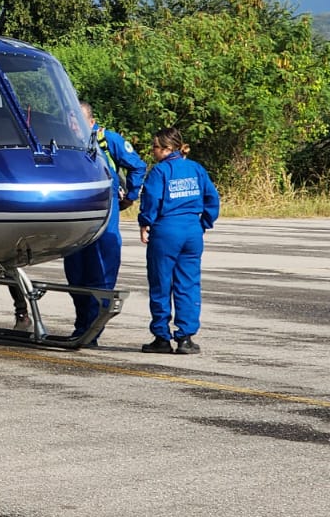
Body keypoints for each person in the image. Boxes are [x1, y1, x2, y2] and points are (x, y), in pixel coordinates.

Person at [63, 102, 147, 344]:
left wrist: (131, 197)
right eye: (69, 120)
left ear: (90, 121)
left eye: (76, 120)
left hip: (105, 214)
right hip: (76, 216)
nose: (71, 125)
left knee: (101, 275)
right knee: (76, 275)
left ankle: (93, 331)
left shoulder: (108, 140)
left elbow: (138, 166)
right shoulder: (66, 142)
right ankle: (82, 327)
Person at [136, 126, 220, 355]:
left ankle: (161, 337)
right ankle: (185, 338)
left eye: (155, 146)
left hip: (166, 230)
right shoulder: (196, 168)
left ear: (167, 148)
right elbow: (212, 199)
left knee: (161, 284)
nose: (152, 150)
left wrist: (145, 223)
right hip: (192, 231)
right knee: (188, 283)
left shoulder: (160, 172)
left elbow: (151, 201)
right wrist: (203, 224)